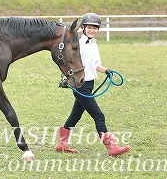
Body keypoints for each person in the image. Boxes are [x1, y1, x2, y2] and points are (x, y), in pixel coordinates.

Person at [55, 13, 131, 156]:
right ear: (83, 28)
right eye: (89, 27)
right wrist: (68, 78)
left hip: (90, 84)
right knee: (99, 115)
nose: (92, 30)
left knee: (75, 116)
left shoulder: (93, 45)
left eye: (95, 28)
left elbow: (96, 65)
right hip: (80, 85)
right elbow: (69, 62)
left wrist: (106, 71)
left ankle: (62, 144)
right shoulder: (78, 45)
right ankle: (111, 147)